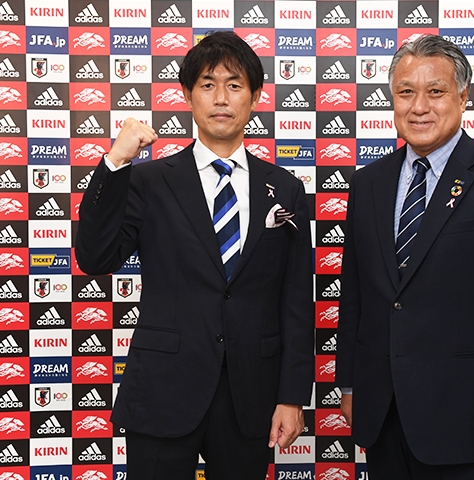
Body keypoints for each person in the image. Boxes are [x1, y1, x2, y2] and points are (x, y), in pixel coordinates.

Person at [76, 31, 314, 480]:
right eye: (207, 84)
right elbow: (94, 257)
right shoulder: (148, 182)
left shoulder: (284, 188)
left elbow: (296, 300)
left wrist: (291, 396)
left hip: (251, 396)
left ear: (256, 97)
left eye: (235, 84)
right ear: (187, 95)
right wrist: (114, 163)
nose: (221, 97)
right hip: (164, 389)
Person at [336, 34, 474, 479]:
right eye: (406, 92)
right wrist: (352, 386)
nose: (419, 107)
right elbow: (356, 296)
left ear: (463, 96)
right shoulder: (368, 184)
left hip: (469, 422)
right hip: (384, 416)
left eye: (436, 91)